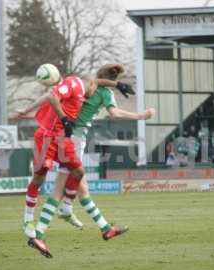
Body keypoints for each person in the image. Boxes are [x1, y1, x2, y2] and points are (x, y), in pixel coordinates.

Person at [16, 65, 134, 257]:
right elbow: (52, 96)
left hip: (64, 140)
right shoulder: (75, 84)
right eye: (93, 85)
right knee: (49, 184)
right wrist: (63, 119)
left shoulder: (87, 86)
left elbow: (97, 81)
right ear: (87, 82)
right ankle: (35, 223)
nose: (94, 90)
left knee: (78, 175)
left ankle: (94, 223)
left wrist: (118, 84)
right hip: (50, 138)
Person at [46, 63, 155, 245]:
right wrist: (141, 116)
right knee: (61, 188)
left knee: (82, 188)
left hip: (60, 134)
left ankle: (103, 227)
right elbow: (114, 113)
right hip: (75, 139)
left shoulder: (86, 84)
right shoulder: (105, 93)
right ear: (114, 80)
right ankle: (39, 229)